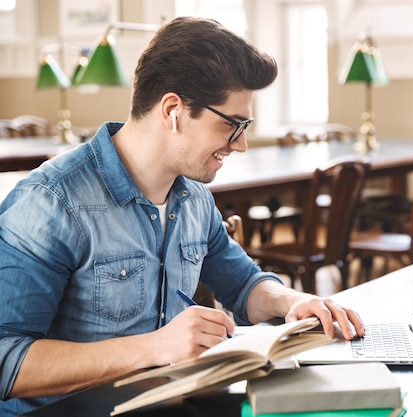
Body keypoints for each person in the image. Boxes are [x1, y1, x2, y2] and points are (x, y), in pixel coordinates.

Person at [0, 17, 365, 416]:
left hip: (167, 402)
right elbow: (7, 361)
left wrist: (293, 301)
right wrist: (156, 347)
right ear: (173, 110)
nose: (240, 144)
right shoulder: (49, 202)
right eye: (231, 124)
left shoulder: (194, 198)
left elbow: (243, 284)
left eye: (246, 126)